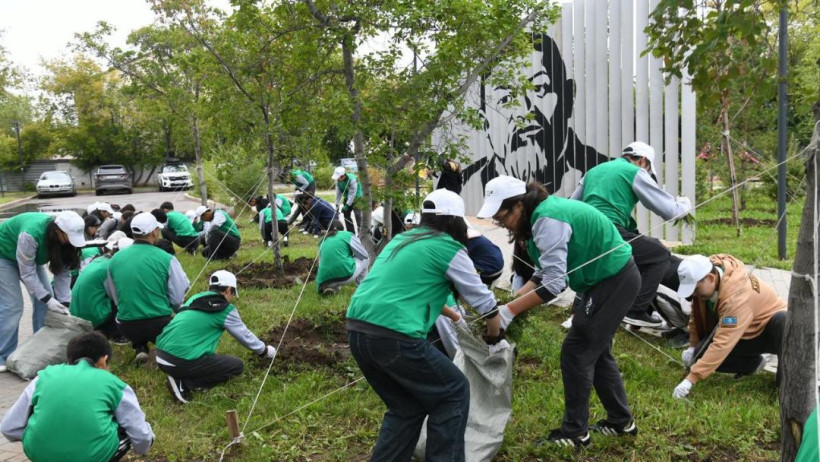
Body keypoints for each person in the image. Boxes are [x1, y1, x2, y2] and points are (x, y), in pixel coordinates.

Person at [478, 175, 640, 447]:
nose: (502, 224)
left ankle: (575, 434)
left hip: (614, 278)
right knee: (596, 351)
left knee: (577, 351)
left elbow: (555, 284)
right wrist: (510, 302)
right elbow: (544, 272)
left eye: (502, 217)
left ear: (519, 206)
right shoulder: (539, 217)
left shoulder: (547, 219)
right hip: (602, 279)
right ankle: (621, 423)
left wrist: (508, 312)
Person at [346, 189, 504, 461]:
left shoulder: (403, 240)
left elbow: (409, 289)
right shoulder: (448, 247)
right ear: (456, 221)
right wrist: (494, 334)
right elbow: (485, 302)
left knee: (406, 407)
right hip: (396, 336)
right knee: (453, 392)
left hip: (357, 330)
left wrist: (455, 317)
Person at [462, 33, 608, 199]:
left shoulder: (606, 177)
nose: (524, 112)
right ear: (485, 122)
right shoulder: (464, 186)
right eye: (506, 98)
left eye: (539, 89)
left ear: (567, 97)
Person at [571, 141, 692, 328]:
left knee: (637, 254)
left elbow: (573, 203)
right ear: (643, 160)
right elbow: (671, 211)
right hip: (607, 229)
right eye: (648, 168)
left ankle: (581, 307)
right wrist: (684, 204)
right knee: (659, 254)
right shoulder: (635, 172)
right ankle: (635, 311)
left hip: (584, 231)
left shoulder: (594, 171)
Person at [0, 332, 154, 461]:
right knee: (126, 428)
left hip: (38, 454)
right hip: (91, 456)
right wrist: (143, 448)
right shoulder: (115, 384)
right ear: (103, 360)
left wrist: (37, 437)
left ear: (70, 358)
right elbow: (141, 436)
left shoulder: (43, 377)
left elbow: (8, 427)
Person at [672, 254, 787, 400]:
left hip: (768, 330)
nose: (693, 294)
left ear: (711, 278)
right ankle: (753, 364)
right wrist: (692, 347)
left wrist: (691, 379)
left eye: (695, 289)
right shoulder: (709, 279)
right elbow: (696, 315)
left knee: (784, 321)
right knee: (700, 354)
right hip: (744, 331)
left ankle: (784, 387)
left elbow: (723, 342)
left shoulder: (737, 298)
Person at [155, 270, 276, 403]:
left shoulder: (195, 298)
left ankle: (179, 374)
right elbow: (245, 336)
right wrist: (265, 351)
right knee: (236, 366)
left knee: (210, 358)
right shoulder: (225, 309)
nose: (232, 297)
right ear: (228, 289)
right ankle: (185, 384)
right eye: (233, 293)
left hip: (160, 354)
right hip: (178, 361)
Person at [0, 211, 85, 372]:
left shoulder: (66, 242)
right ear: (58, 230)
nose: (71, 242)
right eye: (68, 237)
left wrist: (64, 303)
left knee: (45, 304)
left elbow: (63, 274)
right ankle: (2, 355)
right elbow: (27, 274)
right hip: (3, 255)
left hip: (28, 260)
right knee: (13, 306)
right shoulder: (31, 234)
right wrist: (48, 299)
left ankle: (38, 350)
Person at [108, 212, 190, 364]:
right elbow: (178, 295)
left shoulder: (114, 259)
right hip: (159, 324)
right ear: (153, 232)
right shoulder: (166, 258)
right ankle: (165, 349)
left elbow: (114, 296)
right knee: (174, 330)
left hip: (126, 326)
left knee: (134, 323)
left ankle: (140, 346)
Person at [71, 235, 134, 340]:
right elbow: (117, 297)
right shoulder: (111, 267)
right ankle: (116, 334)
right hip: (92, 316)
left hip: (76, 312)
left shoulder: (100, 260)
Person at [316, 221, 369, 295]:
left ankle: (333, 288)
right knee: (365, 259)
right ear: (342, 229)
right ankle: (362, 288)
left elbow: (320, 263)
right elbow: (364, 254)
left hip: (325, 281)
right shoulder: (347, 235)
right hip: (346, 276)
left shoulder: (323, 240)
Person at [332, 166, 363, 234]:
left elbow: (352, 193)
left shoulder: (352, 180)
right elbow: (338, 193)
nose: (337, 179)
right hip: (347, 198)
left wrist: (347, 205)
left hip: (357, 198)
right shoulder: (339, 182)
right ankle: (351, 233)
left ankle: (361, 234)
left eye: (338, 178)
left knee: (357, 215)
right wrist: (337, 205)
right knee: (346, 215)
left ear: (343, 176)